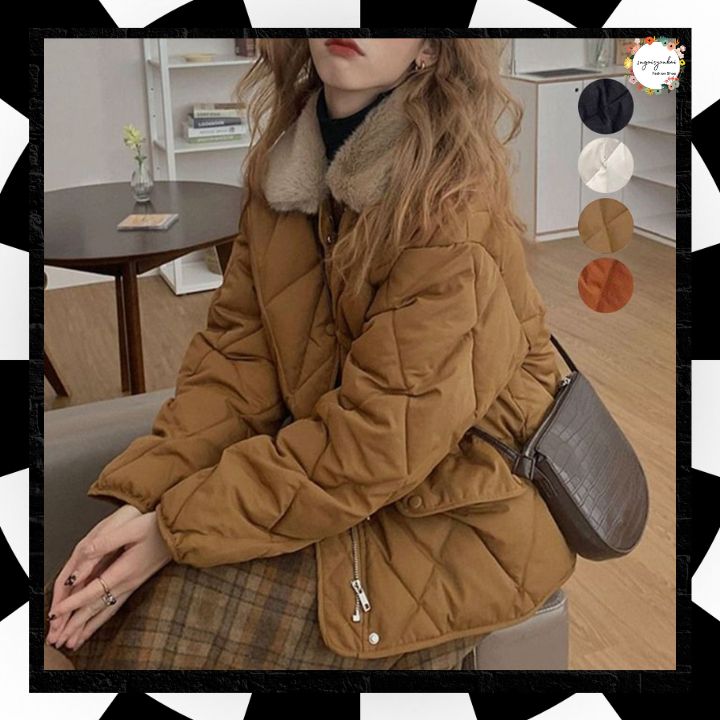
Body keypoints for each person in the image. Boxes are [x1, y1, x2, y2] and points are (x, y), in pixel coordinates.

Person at [44, 37, 577, 670]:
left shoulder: (450, 203)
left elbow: (379, 442)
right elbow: (234, 365)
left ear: (431, 50)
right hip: (341, 476)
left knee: (149, 621)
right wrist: (148, 493)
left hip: (459, 509)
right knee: (96, 600)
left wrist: (173, 527)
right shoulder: (284, 168)